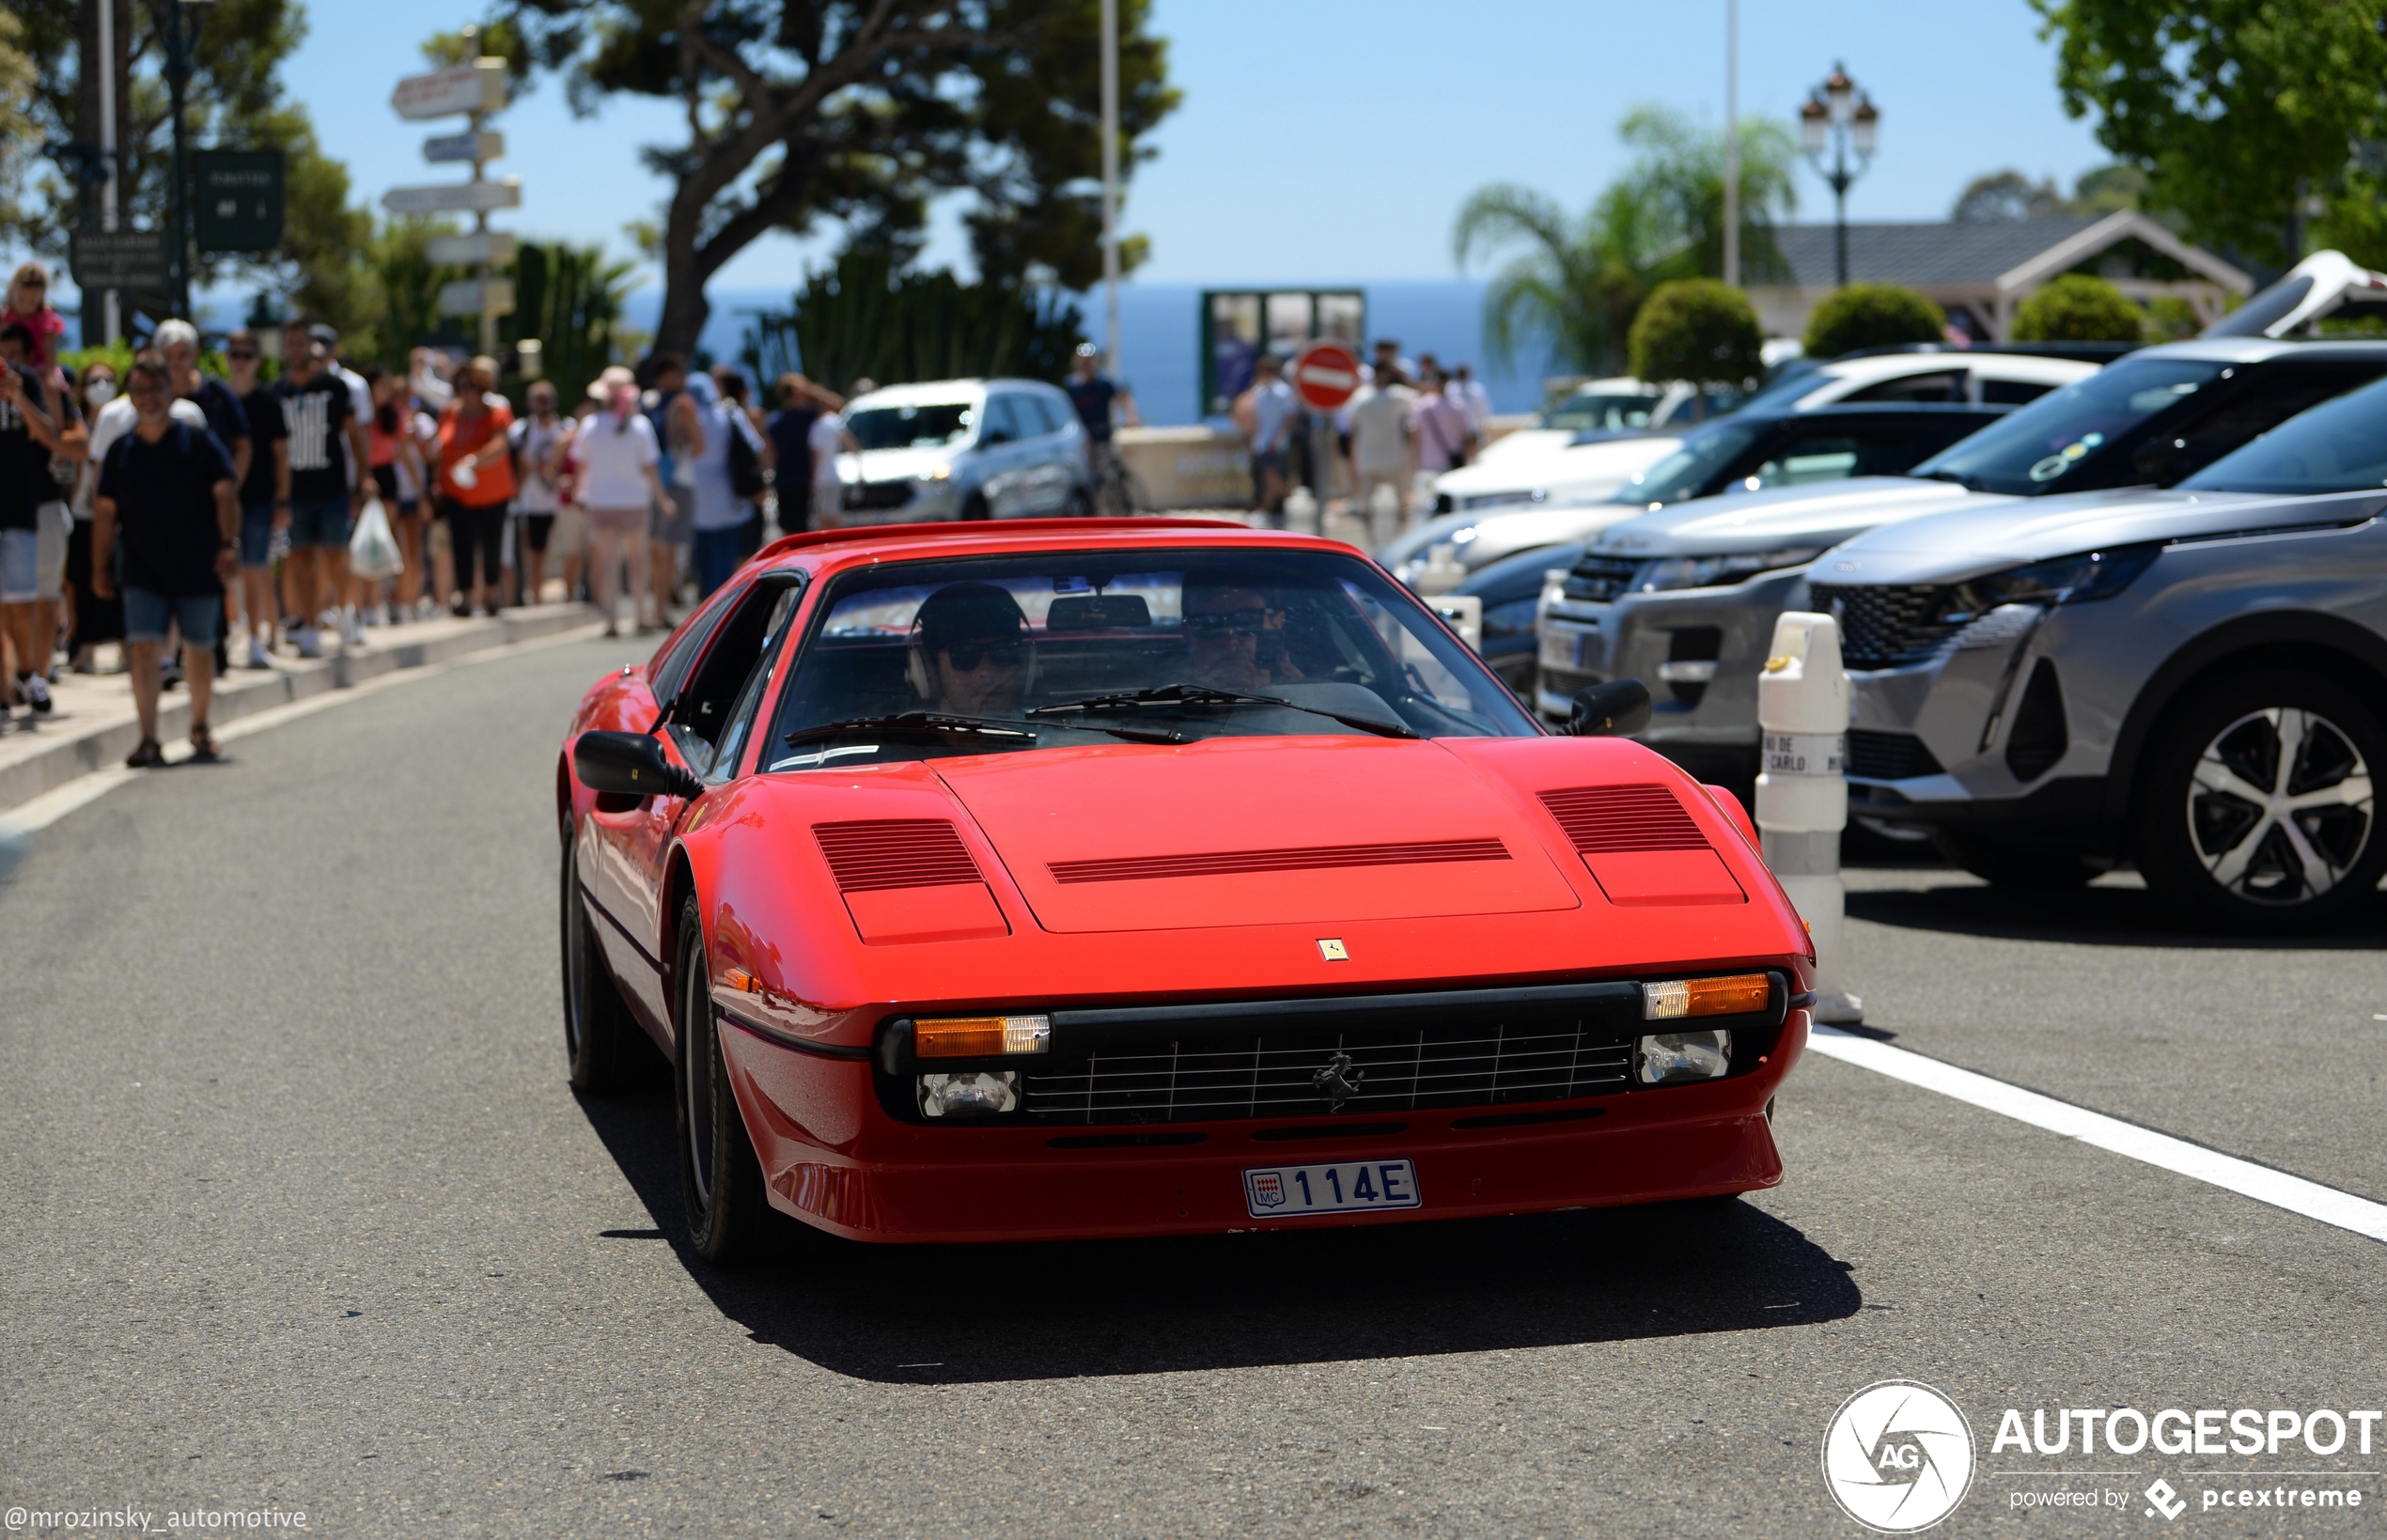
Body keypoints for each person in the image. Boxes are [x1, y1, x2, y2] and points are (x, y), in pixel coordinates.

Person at [90, 360, 240, 766]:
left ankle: (200, 726)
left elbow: (225, 492)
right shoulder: (121, 450)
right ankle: (149, 737)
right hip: (141, 565)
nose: (148, 398)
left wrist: (229, 543)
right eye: (139, 391)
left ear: (170, 391)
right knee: (142, 648)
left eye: (155, 388)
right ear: (130, 397)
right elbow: (104, 512)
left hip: (198, 561)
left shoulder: (198, 441)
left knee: (199, 647)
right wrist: (99, 565)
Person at [77, 351, 203, 670]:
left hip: (185, 527)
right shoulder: (112, 415)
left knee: (178, 596)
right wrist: (102, 518)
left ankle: (166, 658)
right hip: (131, 524)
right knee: (135, 589)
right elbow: (100, 470)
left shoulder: (190, 415)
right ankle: (140, 652)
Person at [275, 323, 370, 657]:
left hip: (332, 486)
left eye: (301, 343)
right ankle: (310, 623)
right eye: (291, 344)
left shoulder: (335, 387)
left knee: (336, 554)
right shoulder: (279, 391)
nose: (296, 350)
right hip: (296, 489)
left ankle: (346, 611)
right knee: (300, 558)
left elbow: (355, 436)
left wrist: (362, 478)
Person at [0, 321, 71, 718]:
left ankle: (28, 671)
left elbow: (50, 436)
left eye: (14, 354)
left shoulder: (28, 383)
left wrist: (18, 396)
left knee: (22, 603)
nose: (6, 360)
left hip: (20, 509)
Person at [568, 379, 667, 636]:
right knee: (637, 561)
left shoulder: (591, 425)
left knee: (608, 562)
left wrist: (581, 492)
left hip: (601, 501)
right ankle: (639, 615)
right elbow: (649, 467)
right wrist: (662, 498)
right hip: (634, 501)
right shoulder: (640, 426)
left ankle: (611, 619)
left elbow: (581, 463)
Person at [432, 357, 518, 617]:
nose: (466, 391)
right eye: (460, 385)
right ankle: (466, 595)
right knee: (462, 543)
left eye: (471, 385)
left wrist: (473, 461)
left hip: (493, 490)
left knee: (492, 542)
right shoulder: (448, 413)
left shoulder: (497, 412)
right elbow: (441, 450)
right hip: (456, 491)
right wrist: (436, 482)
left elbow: (501, 445)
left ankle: (491, 593)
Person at [225, 332, 288, 667]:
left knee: (255, 568)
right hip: (223, 500)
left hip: (260, 497)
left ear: (258, 361)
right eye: (235, 354)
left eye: (247, 355)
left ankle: (256, 637)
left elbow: (281, 455)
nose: (241, 360)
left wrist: (282, 500)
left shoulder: (268, 403)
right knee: (225, 569)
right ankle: (229, 633)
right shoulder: (217, 398)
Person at [64, 359, 124, 669]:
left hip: (118, 515)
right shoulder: (76, 423)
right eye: (94, 381)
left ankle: (126, 645)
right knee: (81, 580)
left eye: (107, 380)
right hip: (82, 512)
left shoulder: (124, 420)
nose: (100, 388)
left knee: (120, 579)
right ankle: (83, 645)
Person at [683, 371, 761, 598]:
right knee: (725, 556)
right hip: (728, 494)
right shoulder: (729, 413)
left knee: (704, 557)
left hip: (697, 497)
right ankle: (723, 607)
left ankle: (708, 605)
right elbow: (755, 445)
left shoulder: (690, 416)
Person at [908, 582, 1033, 718]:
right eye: (965, 656)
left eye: (1001, 654)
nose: (986, 672)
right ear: (929, 671)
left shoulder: (1051, 732)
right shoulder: (893, 738)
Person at [643, 353, 701, 630]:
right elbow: (700, 445)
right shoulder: (681, 404)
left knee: (659, 549)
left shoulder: (650, 403)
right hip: (675, 480)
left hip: (656, 481)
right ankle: (659, 609)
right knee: (663, 550)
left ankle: (658, 608)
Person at [1183, 576, 1302, 694]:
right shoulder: (1169, 694)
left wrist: (1295, 695)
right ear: (1188, 635)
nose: (1230, 641)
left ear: (1276, 624)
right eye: (1208, 624)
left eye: (1246, 621)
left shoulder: (1310, 691)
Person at [509, 381, 571, 604]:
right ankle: (535, 596)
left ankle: (569, 594)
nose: (543, 403)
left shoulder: (568, 428)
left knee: (568, 551)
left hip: (563, 501)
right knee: (535, 551)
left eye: (546, 398)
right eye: (538, 399)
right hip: (532, 501)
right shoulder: (520, 431)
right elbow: (516, 465)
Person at [1345, 366, 1416, 544]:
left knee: (1367, 506)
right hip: (1394, 459)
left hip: (1367, 459)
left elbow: (1352, 431)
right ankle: (1400, 538)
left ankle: (1372, 542)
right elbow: (1418, 401)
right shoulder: (1397, 395)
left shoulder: (1360, 398)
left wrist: (1353, 461)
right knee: (1401, 504)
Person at [1066, 342, 1139, 492]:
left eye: (1090, 360)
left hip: (1103, 438)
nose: (1087, 365)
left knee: (1106, 475)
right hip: (1083, 441)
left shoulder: (1103, 384)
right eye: (1083, 361)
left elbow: (1123, 396)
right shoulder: (1073, 387)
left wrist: (1131, 416)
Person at [1234, 353, 1298, 521]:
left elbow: (1288, 418)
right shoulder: (1259, 392)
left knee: (1271, 474)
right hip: (1261, 441)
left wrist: (1277, 439)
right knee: (1266, 475)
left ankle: (1281, 499)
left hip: (1276, 442)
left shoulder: (1283, 392)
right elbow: (1252, 416)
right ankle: (1268, 507)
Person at [764, 374, 819, 534]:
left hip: (784, 480)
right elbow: (838, 404)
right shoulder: (808, 416)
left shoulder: (773, 420)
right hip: (803, 478)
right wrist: (811, 389)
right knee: (804, 528)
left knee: (788, 529)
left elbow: (769, 454)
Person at [4, 263, 68, 371]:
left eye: (32, 302)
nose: (25, 306)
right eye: (21, 299)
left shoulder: (45, 320)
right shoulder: (5, 317)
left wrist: (50, 374)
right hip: (9, 366)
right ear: (12, 292)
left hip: (40, 368)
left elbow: (50, 351)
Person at [1412, 367, 1474, 475]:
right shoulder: (1458, 405)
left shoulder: (1422, 406)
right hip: (1454, 461)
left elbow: (1415, 436)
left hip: (1429, 462)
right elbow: (1468, 436)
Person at [1450, 363, 1493, 436]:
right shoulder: (1477, 389)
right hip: (1473, 428)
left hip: (1461, 429)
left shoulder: (1451, 390)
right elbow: (1484, 408)